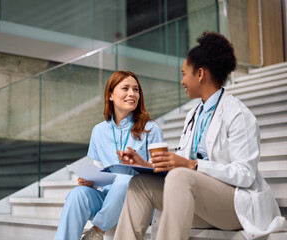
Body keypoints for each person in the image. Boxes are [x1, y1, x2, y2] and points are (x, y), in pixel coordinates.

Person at [114, 32, 287, 240]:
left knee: (181, 176)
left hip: (235, 205)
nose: (182, 81)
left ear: (200, 74)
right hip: (199, 200)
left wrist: (194, 166)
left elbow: (245, 175)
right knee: (140, 184)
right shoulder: (193, 115)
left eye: (184, 73)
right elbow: (182, 163)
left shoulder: (238, 114)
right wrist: (146, 164)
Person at [53, 71, 164, 240]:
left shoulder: (151, 129)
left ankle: (97, 231)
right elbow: (98, 170)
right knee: (78, 194)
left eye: (136, 89)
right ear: (111, 95)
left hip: (140, 204)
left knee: (124, 180)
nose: (132, 94)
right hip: (107, 201)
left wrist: (140, 165)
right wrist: (90, 181)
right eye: (125, 88)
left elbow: (161, 172)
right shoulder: (98, 130)